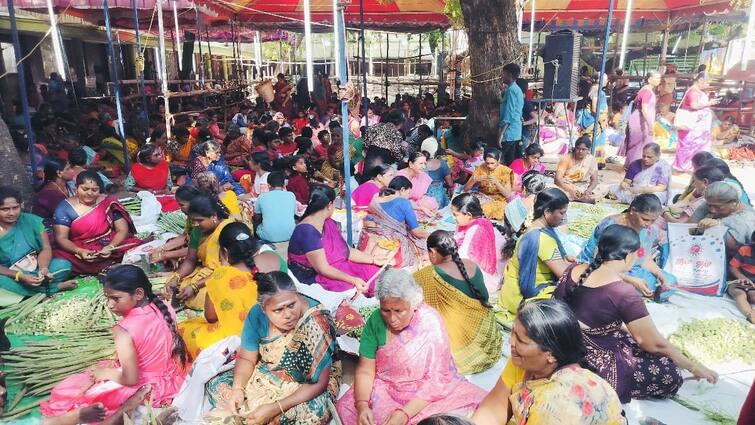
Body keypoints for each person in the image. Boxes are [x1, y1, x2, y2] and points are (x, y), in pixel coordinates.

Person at [556, 225, 717, 402]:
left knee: (633, 340)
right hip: (592, 361)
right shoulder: (623, 292)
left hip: (563, 346)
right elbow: (653, 344)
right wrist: (694, 367)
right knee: (668, 372)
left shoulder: (573, 270)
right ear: (629, 255)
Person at [336, 269, 487, 424]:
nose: (392, 318)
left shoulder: (430, 321)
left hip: (427, 392)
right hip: (388, 389)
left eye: (399, 311)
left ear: (414, 304)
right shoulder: (375, 322)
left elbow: (439, 377)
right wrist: (362, 405)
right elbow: (366, 370)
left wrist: (404, 413)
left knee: (482, 403)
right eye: (385, 310)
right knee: (348, 409)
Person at [40, 265, 186, 423]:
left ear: (138, 293)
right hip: (171, 379)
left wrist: (104, 374)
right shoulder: (164, 307)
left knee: (67, 391)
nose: (109, 304)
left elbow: (131, 379)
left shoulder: (123, 330)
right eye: (107, 298)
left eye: (115, 298)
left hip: (146, 388)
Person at [203, 271, 341, 424]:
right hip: (269, 373)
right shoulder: (256, 314)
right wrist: (238, 390)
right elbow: (247, 357)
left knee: (312, 414)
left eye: (291, 305)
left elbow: (319, 383)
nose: (288, 314)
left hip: (307, 383)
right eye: (278, 310)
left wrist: (276, 408)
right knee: (217, 386)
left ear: (297, 296)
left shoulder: (315, 322)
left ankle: (252, 416)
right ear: (263, 309)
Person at [473, 299, 624, 425]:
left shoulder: (554, 407)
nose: (510, 343)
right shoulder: (524, 361)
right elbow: (495, 407)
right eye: (513, 333)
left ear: (551, 355)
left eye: (520, 340)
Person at [178, 222, 285, 359]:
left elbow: (211, 317)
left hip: (239, 342)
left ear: (225, 252)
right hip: (272, 330)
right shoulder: (274, 257)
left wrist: (222, 271)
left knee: (184, 330)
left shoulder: (221, 275)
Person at [414, 230, 502, 374]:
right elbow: (484, 297)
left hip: (455, 343)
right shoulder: (471, 265)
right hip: (484, 338)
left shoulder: (427, 275)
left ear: (432, 252)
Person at [288, 186, 384, 295]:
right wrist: (353, 279)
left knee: (373, 272)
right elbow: (323, 269)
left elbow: (347, 251)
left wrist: (373, 259)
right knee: (349, 288)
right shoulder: (307, 231)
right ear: (329, 205)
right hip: (314, 275)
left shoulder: (328, 222)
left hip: (336, 266)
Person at [497, 188, 571, 322]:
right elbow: (566, 275)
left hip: (510, 294)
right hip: (523, 300)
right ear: (547, 212)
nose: (564, 217)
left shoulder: (532, 227)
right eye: (562, 213)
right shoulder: (543, 238)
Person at [580, 194, 674, 296]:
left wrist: (660, 275)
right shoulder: (612, 225)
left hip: (631, 269)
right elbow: (599, 262)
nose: (648, 224)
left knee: (670, 280)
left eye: (653, 221)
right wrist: (630, 280)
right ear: (633, 211)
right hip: (603, 269)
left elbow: (645, 259)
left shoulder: (649, 231)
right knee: (623, 288)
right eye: (645, 219)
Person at [52, 172, 141, 275]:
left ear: (100, 190)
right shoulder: (64, 208)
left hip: (109, 244)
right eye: (85, 189)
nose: (90, 193)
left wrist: (111, 247)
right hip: (80, 249)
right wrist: (79, 251)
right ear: (76, 188)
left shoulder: (108, 202)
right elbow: (61, 238)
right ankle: (110, 265)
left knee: (136, 246)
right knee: (59, 257)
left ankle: (109, 264)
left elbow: (122, 229)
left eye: (94, 190)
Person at [0, 187, 75, 306]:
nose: (12, 213)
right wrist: (20, 276)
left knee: (64, 265)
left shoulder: (32, 221)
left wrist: (43, 269)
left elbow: (45, 248)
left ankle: (29, 292)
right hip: (8, 275)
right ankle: (53, 288)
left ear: (21, 205)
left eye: (15, 208)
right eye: (5, 209)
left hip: (34, 268)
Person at [163, 194, 234, 310]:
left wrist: (196, 286)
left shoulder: (228, 229)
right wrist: (176, 277)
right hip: (206, 272)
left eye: (199, 220)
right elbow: (190, 261)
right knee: (178, 285)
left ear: (213, 216)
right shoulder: (197, 232)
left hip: (226, 273)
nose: (195, 224)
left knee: (207, 295)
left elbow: (231, 268)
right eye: (193, 220)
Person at [451, 193, 525, 293]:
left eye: (455, 215)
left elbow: (462, 258)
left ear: (468, 215)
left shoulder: (476, 230)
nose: (453, 218)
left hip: (487, 278)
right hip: (495, 268)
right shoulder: (479, 221)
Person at [360, 176, 430, 269]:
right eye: (408, 192)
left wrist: (420, 208)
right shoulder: (404, 203)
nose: (408, 197)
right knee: (422, 246)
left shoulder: (377, 197)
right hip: (390, 244)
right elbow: (416, 231)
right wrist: (430, 236)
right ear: (402, 190)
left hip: (369, 241)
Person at [690, 182, 755, 253]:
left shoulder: (747, 218)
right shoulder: (713, 202)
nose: (712, 210)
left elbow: (732, 246)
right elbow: (688, 227)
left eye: (718, 207)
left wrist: (718, 225)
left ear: (734, 203)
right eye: (709, 205)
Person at [673, 72, 718, 173]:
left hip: (700, 127)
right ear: (700, 80)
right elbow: (694, 105)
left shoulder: (698, 91)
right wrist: (709, 103)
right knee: (689, 145)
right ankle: (683, 166)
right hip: (693, 125)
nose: (708, 85)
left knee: (698, 146)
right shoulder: (693, 91)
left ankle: (695, 165)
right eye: (707, 83)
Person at [660, 165, 726, 226]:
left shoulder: (703, 201)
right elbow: (687, 200)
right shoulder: (720, 193)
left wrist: (665, 212)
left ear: (705, 182)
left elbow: (680, 225)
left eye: (695, 181)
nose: (694, 185)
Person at [621, 71, 661, 168]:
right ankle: (633, 166)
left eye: (659, 78)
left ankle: (633, 165)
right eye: (657, 78)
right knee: (639, 144)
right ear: (649, 79)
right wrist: (650, 125)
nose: (659, 80)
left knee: (641, 144)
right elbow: (645, 109)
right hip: (641, 121)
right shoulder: (647, 91)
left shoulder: (646, 90)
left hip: (641, 119)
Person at [463, 149, 515, 221]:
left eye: (492, 163)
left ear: (498, 160)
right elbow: (465, 189)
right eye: (487, 163)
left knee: (484, 209)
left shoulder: (505, 171)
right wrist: (474, 180)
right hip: (482, 197)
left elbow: (507, 195)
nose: (489, 166)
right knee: (465, 203)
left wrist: (497, 183)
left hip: (498, 201)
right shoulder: (481, 168)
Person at [554, 137, 605, 203]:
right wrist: (570, 190)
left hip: (582, 187)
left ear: (588, 150)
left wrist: (588, 191)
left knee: (603, 188)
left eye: (583, 149)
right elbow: (558, 179)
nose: (580, 151)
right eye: (578, 148)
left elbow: (594, 180)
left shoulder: (591, 160)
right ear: (575, 148)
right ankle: (580, 198)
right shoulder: (566, 158)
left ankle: (579, 197)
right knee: (554, 190)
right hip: (567, 185)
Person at [396, 152, 440, 218]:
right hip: (401, 204)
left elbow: (424, 196)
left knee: (431, 201)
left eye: (424, 163)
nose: (423, 167)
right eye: (420, 163)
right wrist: (420, 208)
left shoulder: (423, 176)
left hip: (416, 204)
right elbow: (398, 200)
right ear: (411, 164)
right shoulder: (400, 176)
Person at [255, 172, 296, 243]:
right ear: (284, 185)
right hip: (291, 234)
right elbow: (292, 213)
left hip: (268, 237)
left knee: (255, 223)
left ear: (268, 185)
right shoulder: (291, 195)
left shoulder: (262, 197)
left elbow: (257, 217)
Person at [33, 158, 74, 230]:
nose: (72, 170)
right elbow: (65, 215)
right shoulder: (50, 194)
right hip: (48, 231)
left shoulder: (68, 185)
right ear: (59, 173)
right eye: (68, 169)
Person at [498, 63, 524, 165]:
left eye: (503, 74)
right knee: (512, 162)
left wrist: (501, 134)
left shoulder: (512, 90)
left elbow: (509, 113)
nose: (502, 76)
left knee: (501, 161)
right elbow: (518, 110)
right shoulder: (517, 89)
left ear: (509, 75)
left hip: (509, 132)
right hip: (516, 131)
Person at [728, 231, 755, 323]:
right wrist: (741, 277)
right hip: (738, 281)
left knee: (753, 296)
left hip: (753, 285)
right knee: (739, 294)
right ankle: (749, 314)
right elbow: (732, 266)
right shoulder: (745, 250)